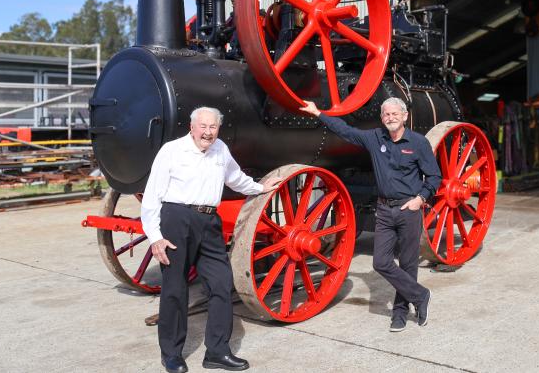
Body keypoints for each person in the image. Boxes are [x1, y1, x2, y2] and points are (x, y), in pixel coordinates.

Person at [141, 107, 281, 373]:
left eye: (213, 127)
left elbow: (236, 178)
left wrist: (260, 187)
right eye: (203, 126)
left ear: (218, 128)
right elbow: (151, 197)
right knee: (175, 288)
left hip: (209, 222)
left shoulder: (220, 149)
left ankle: (217, 351)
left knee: (221, 283)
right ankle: (171, 354)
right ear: (192, 127)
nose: (208, 132)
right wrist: (155, 237)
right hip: (176, 218)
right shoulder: (171, 151)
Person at [300, 97, 440, 332]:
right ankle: (421, 295)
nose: (390, 117)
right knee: (381, 262)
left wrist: (420, 199)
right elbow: (345, 130)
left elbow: (434, 177)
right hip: (385, 209)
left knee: (407, 264)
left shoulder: (418, 143)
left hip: (409, 209)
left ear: (405, 116)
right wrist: (317, 113)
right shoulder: (375, 138)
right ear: (382, 118)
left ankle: (399, 313)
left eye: (395, 114)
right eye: (386, 114)